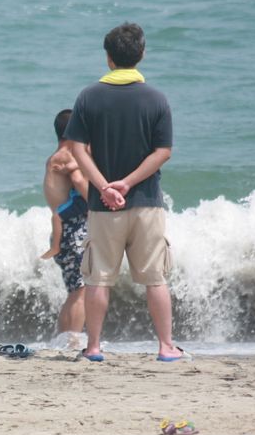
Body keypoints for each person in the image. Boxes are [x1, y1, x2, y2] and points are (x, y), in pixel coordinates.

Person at [64, 22, 181, 362]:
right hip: (147, 203)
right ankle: (165, 346)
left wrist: (103, 186)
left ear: (108, 58)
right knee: (155, 279)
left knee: (98, 278)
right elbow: (163, 152)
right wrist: (128, 183)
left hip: (103, 207)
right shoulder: (156, 99)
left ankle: (95, 346)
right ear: (141, 54)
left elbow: (77, 149)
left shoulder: (89, 97)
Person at [41, 108, 89, 346]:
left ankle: (63, 340)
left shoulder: (58, 156)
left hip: (66, 229)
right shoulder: (67, 158)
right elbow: (85, 190)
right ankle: (73, 341)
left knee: (75, 290)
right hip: (73, 229)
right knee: (81, 291)